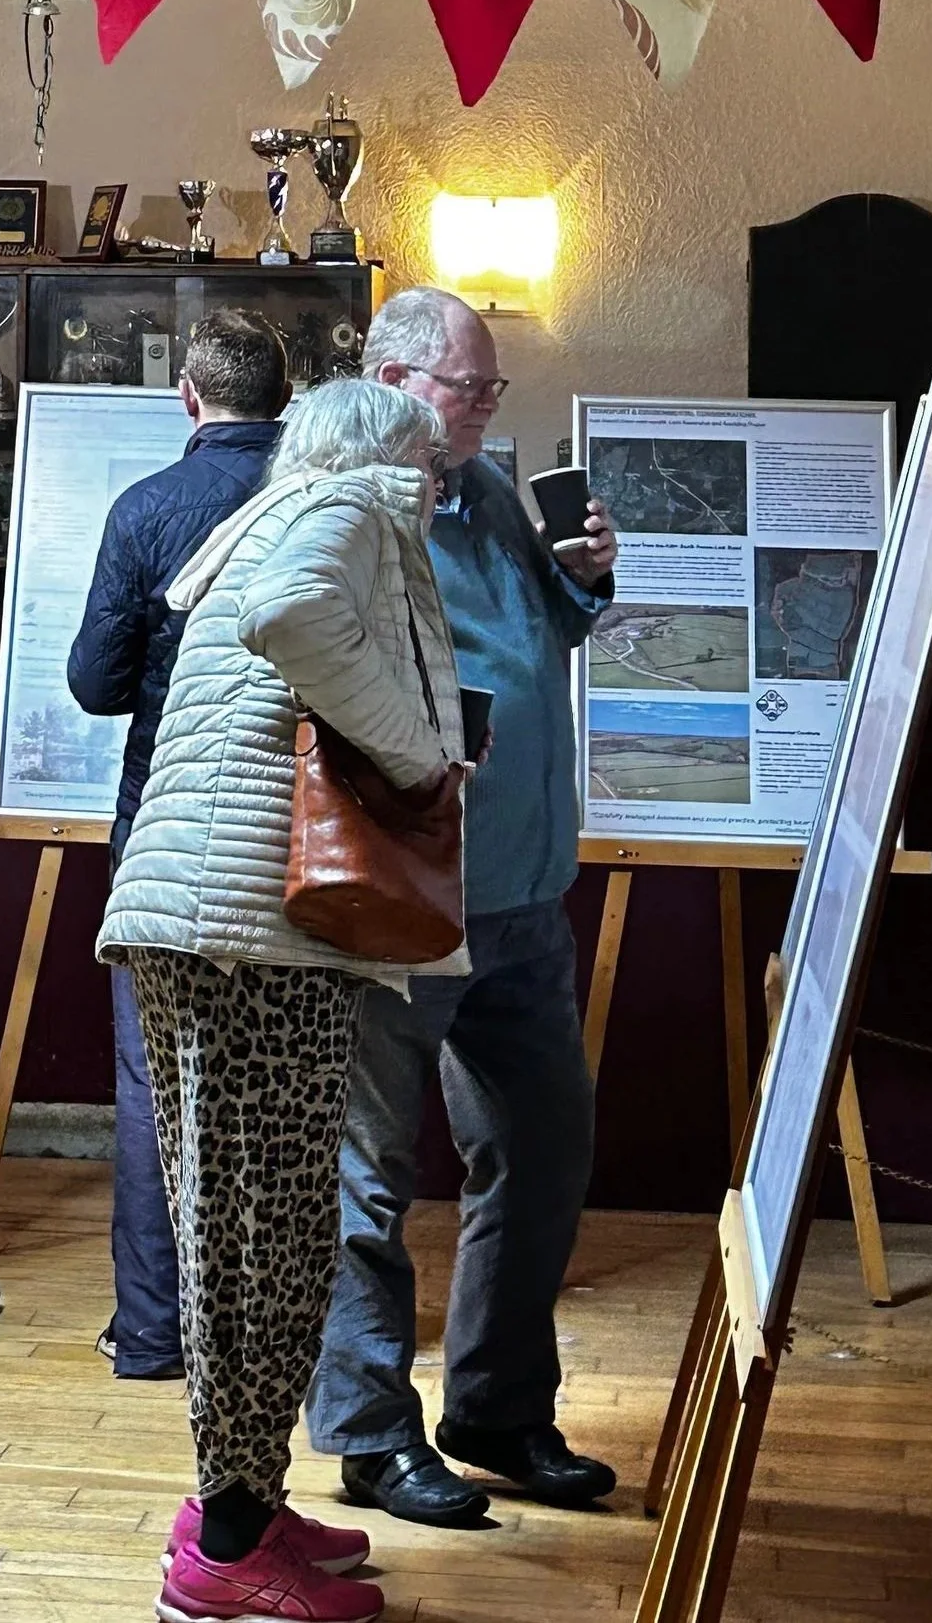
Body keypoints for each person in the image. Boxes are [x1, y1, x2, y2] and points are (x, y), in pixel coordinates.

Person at [98, 378, 470, 1623]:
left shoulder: (276, 504)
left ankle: (237, 1499)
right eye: (431, 448)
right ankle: (225, 1548)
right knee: (257, 1233)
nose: (439, 471)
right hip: (248, 931)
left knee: (261, 1220)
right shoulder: (355, 503)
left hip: (232, 922)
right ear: (391, 449)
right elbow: (297, 614)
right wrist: (420, 756)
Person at [305, 285, 621, 1527]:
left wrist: (582, 579)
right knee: (368, 1182)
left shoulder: (484, 489)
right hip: (404, 892)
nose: (488, 411)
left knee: (543, 1151)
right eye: (467, 390)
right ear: (391, 378)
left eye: (494, 390)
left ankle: (495, 1410)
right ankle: (372, 1437)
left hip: (525, 893)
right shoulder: (348, 502)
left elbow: (535, 638)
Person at [65, 309, 288, 1382]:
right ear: (284, 401)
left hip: (164, 828)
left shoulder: (149, 508)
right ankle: (274, 1332)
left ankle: (154, 1332)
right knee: (290, 1085)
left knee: (158, 1082)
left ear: (190, 401)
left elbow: (95, 683)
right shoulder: (324, 506)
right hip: (296, 834)